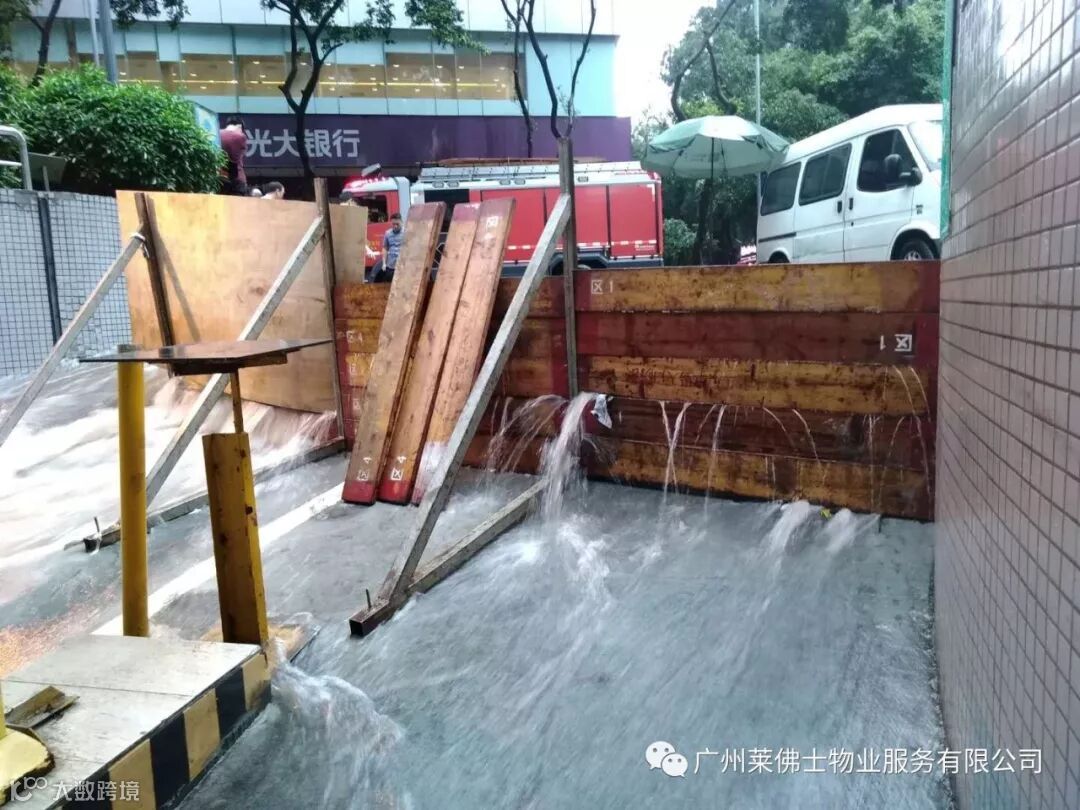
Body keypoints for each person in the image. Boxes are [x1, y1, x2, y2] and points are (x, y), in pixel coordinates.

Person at [219, 116, 248, 196]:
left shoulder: (216, 134)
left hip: (220, 177)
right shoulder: (240, 136)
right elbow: (236, 157)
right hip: (237, 180)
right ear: (240, 126)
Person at [376, 212, 403, 283]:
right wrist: (384, 263)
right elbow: (385, 248)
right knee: (390, 284)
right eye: (393, 224)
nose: (395, 226)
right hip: (391, 266)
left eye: (397, 224)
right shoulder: (388, 233)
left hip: (402, 267)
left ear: (401, 222)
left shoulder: (406, 232)